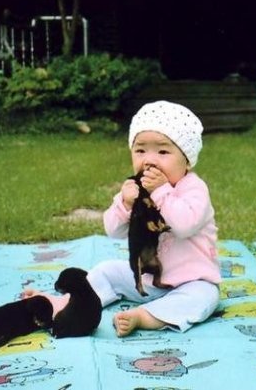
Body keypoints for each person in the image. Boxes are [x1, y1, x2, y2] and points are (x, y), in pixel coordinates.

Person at [88, 100, 221, 337]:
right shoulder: (136, 189)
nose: (149, 160)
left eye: (162, 151)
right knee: (106, 270)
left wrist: (160, 191)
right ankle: (75, 302)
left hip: (191, 281)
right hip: (149, 280)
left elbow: (183, 225)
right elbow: (113, 231)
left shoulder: (194, 189)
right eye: (140, 150)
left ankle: (145, 316)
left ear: (187, 160)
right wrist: (125, 204)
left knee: (205, 296)